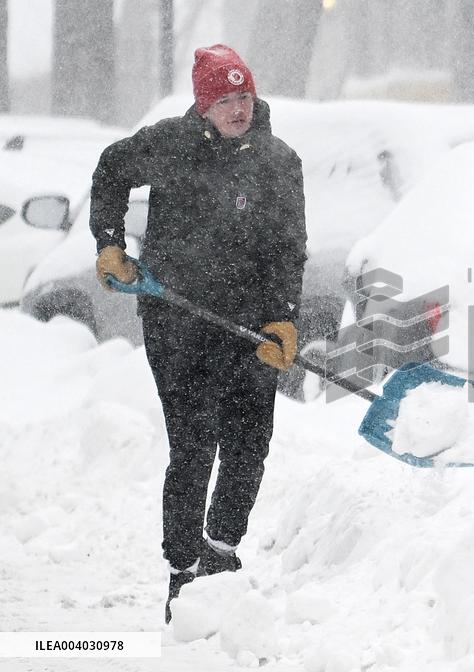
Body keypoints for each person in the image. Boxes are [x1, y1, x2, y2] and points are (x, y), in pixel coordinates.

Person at [89, 44, 307, 623]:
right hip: (177, 322)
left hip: (249, 328)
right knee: (194, 445)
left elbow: (289, 247)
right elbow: (110, 170)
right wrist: (110, 241)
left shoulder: (279, 161)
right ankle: (182, 571)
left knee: (249, 445)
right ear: (203, 104)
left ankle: (220, 554)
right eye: (225, 99)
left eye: (245, 96)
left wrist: (283, 315)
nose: (237, 108)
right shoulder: (168, 145)